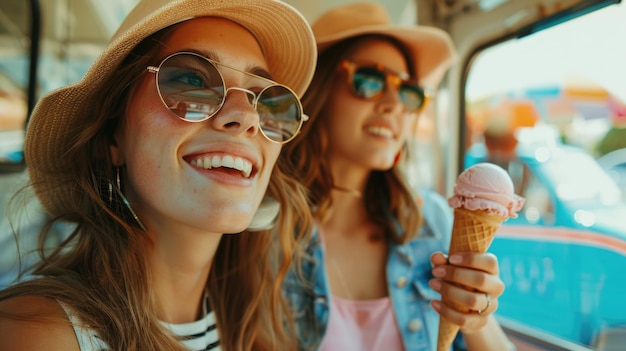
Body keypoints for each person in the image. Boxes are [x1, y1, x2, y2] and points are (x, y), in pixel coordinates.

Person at [0, 0, 316, 350]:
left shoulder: (258, 327)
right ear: (112, 137)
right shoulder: (37, 335)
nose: (247, 117)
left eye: (266, 99)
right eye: (191, 80)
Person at [281, 2, 515, 350]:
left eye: (409, 91)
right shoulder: (263, 227)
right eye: (369, 80)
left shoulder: (431, 220)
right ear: (318, 90)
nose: (394, 104)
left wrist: (477, 318)